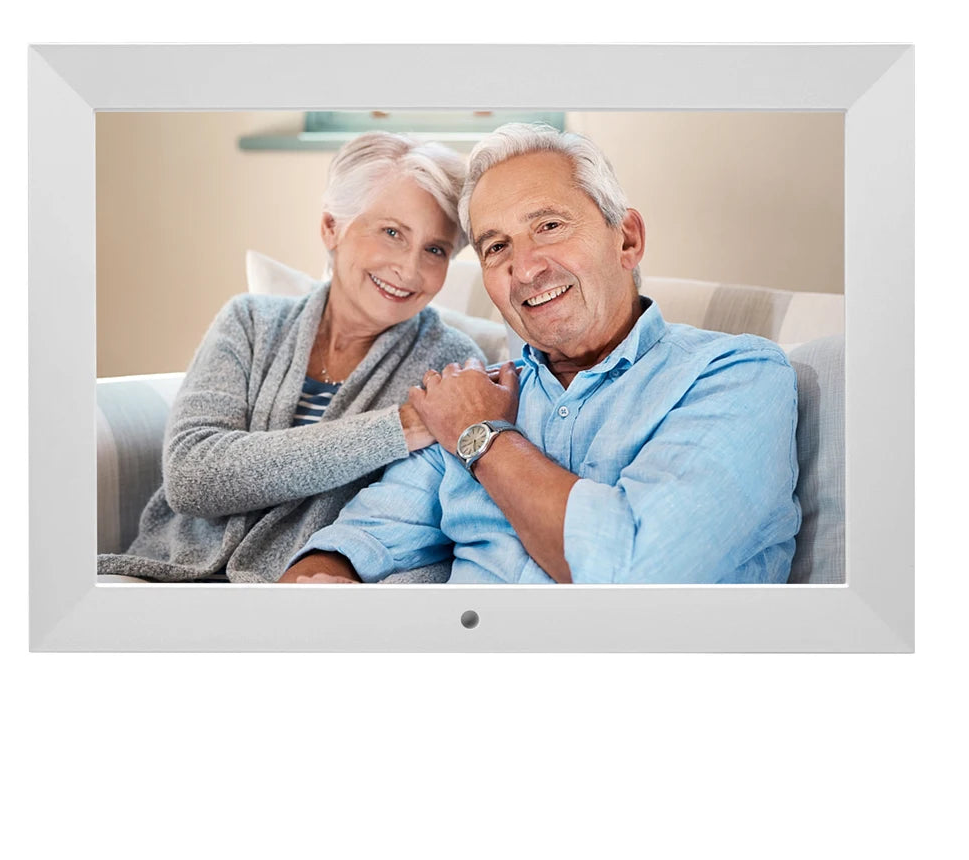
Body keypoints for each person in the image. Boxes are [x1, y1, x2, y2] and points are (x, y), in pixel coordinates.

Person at [279, 122, 801, 585]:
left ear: (628, 240)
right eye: (496, 247)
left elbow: (632, 572)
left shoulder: (734, 376)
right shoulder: (475, 392)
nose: (526, 269)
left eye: (549, 226)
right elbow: (361, 536)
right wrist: (316, 580)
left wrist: (484, 440)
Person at [97, 131, 486, 583]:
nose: (410, 269)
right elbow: (191, 478)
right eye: (392, 232)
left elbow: (438, 533)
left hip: (313, 594)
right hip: (171, 571)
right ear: (331, 227)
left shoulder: (453, 364)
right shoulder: (250, 321)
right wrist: (396, 428)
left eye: (435, 250)